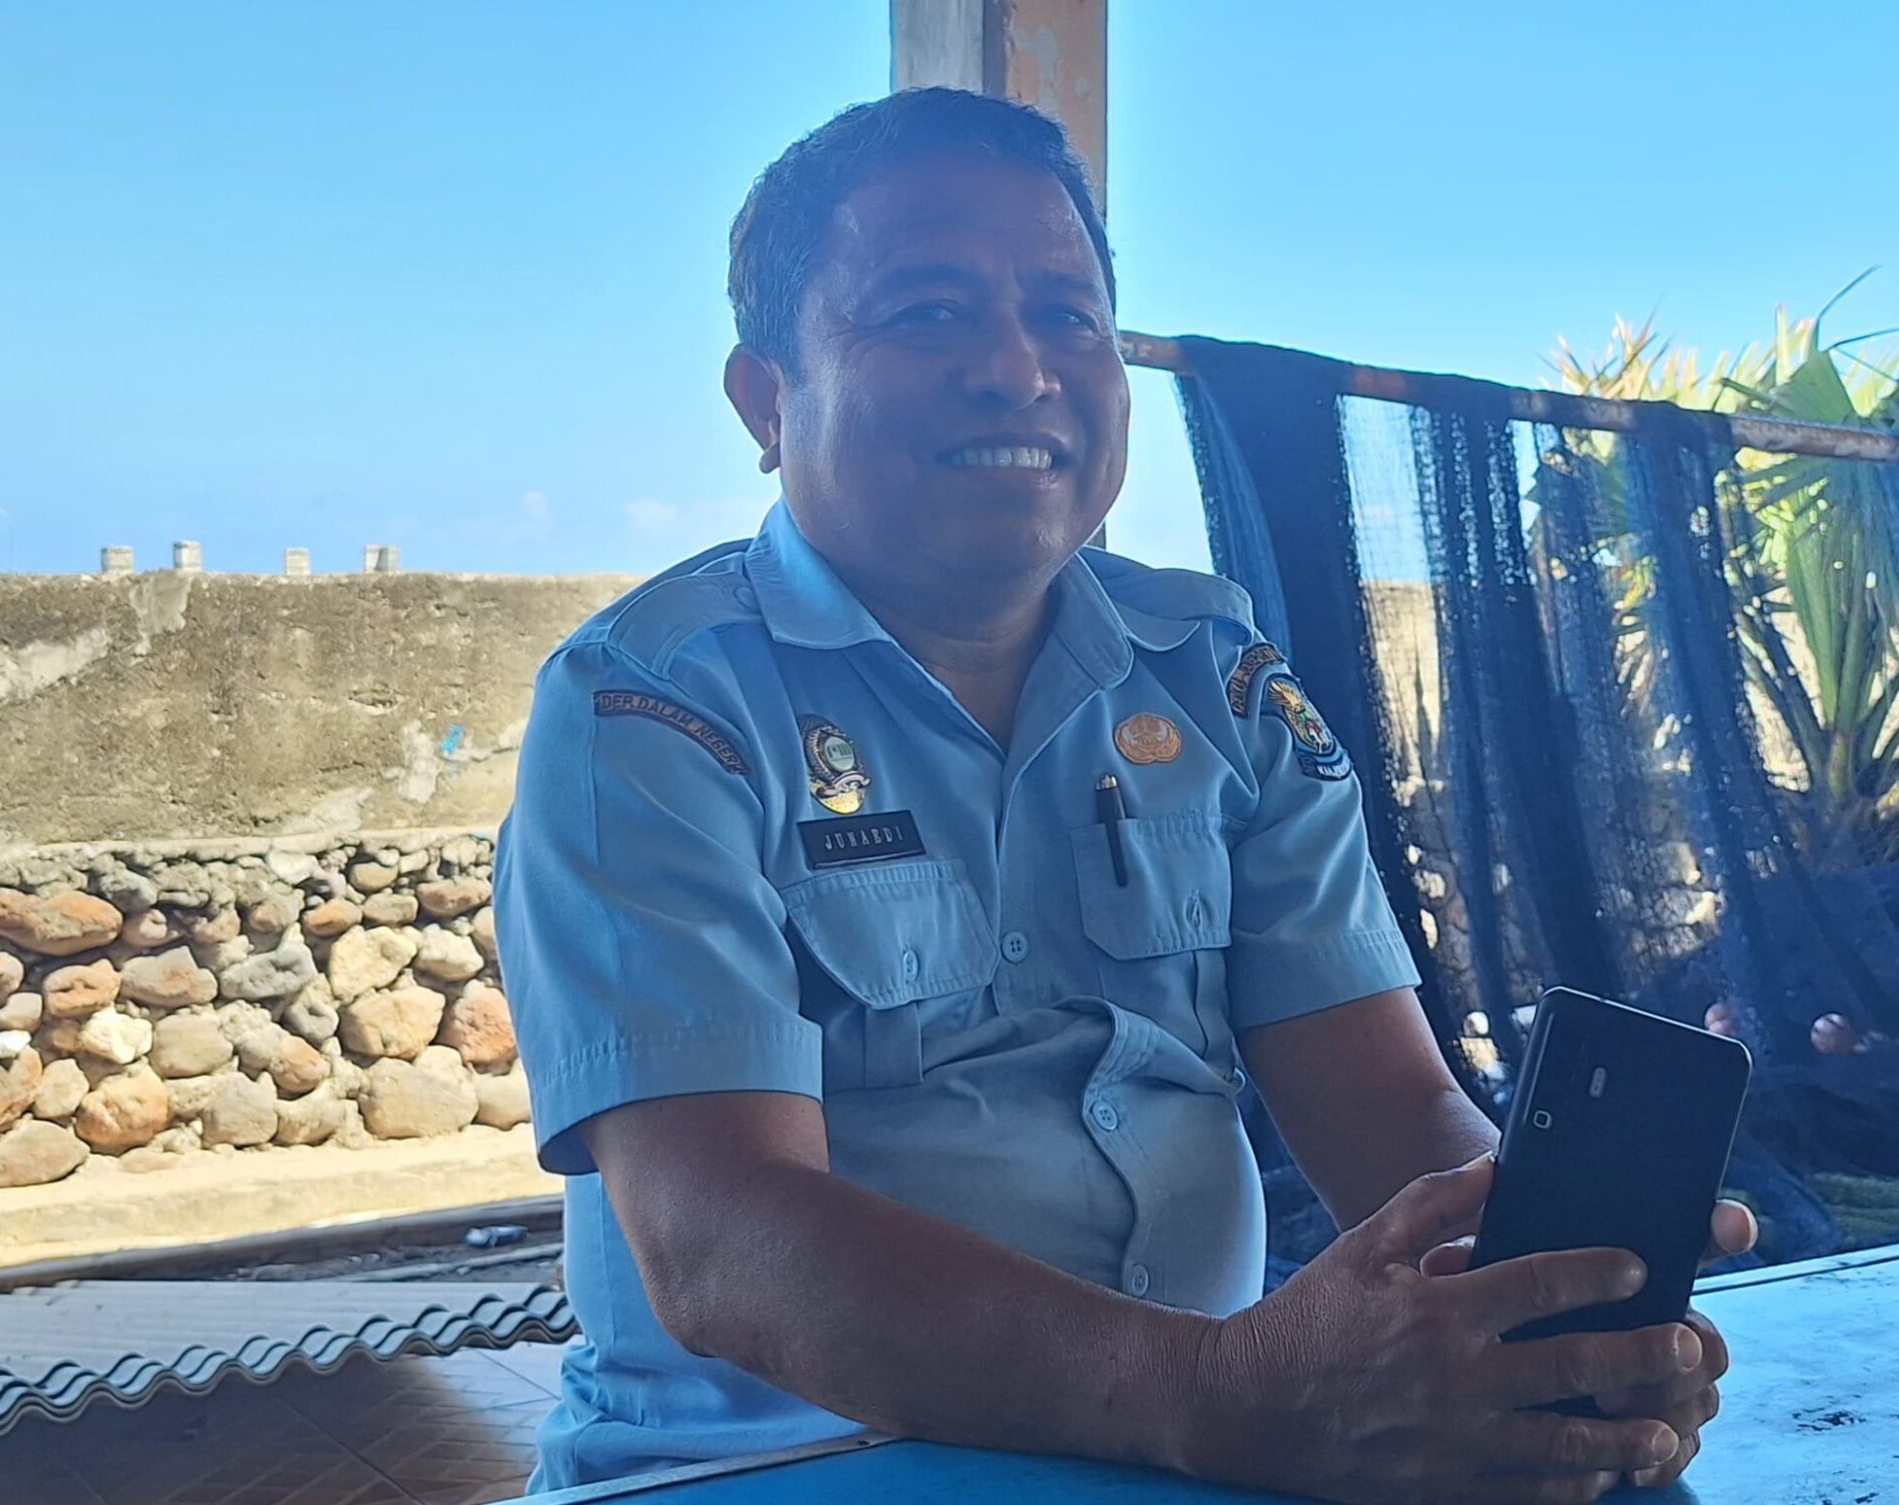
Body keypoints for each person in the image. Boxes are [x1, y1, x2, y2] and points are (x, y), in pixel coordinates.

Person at [494, 87, 1751, 1503]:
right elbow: (723, 1240)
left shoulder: (1215, 678)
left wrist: (1544, 1309)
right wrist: (1231, 1396)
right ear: (766, 400)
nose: (1016, 369)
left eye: (1068, 316)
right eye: (926, 312)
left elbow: (1395, 1111)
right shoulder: (651, 710)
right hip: (772, 1467)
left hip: (1202, 1455)